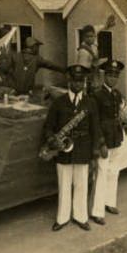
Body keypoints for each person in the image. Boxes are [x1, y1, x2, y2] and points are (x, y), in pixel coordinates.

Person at [41, 65, 103, 232]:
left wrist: (95, 149)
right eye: (74, 80)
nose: (78, 84)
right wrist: (52, 140)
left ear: (84, 82)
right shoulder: (59, 102)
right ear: (69, 81)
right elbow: (48, 127)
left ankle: (80, 217)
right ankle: (62, 218)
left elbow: (96, 128)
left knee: (82, 184)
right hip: (63, 150)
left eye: (80, 81)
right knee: (64, 184)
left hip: (83, 148)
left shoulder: (90, 102)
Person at [90, 60, 127, 225]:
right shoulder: (97, 95)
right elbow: (95, 121)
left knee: (114, 172)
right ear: (104, 76)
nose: (113, 78)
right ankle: (97, 212)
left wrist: (126, 123)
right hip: (105, 141)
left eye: (116, 76)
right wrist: (100, 143)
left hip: (116, 138)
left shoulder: (116, 94)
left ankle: (110, 203)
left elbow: (118, 117)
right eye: (110, 75)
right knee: (101, 174)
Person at [0, 37, 65, 95]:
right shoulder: (37, 59)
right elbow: (51, 65)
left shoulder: (15, 56)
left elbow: (3, 69)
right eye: (37, 47)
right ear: (33, 47)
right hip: (26, 91)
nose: (38, 49)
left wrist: (2, 58)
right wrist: (65, 70)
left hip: (13, 91)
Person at [76, 15, 116, 93]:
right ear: (83, 37)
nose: (90, 38)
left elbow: (98, 28)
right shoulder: (83, 52)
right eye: (87, 37)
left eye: (92, 36)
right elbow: (83, 71)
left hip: (96, 75)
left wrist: (107, 25)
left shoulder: (94, 33)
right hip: (89, 77)